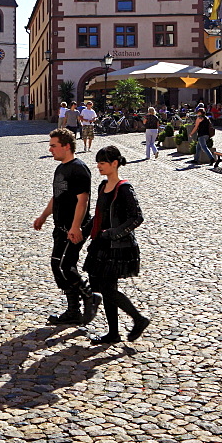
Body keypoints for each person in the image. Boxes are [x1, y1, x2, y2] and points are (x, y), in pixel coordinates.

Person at [33, 128, 101, 325]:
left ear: (67, 146)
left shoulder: (79, 169)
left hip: (75, 227)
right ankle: (74, 310)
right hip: (60, 226)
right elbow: (57, 197)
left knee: (66, 266)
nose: (50, 149)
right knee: (58, 265)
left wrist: (76, 227)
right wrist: (43, 216)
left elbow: (83, 201)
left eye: (54, 146)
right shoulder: (61, 168)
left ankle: (89, 297)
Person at [83, 146, 150, 344]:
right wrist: (83, 230)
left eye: (102, 163)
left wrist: (113, 233)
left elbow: (137, 218)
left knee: (107, 288)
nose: (98, 167)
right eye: (98, 163)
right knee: (102, 287)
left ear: (114, 164)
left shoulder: (124, 188)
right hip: (101, 244)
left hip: (118, 247)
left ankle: (138, 319)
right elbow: (99, 215)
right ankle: (113, 333)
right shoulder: (103, 186)